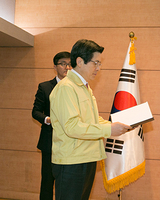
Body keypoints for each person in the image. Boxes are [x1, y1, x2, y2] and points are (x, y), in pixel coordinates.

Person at [49, 39, 131, 200]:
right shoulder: (67, 88)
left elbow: (92, 120)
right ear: (79, 62)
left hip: (86, 158)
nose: (99, 68)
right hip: (71, 162)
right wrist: (109, 130)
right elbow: (72, 127)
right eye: (96, 63)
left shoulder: (84, 87)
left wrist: (114, 125)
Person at [32, 51, 71, 200]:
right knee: (48, 181)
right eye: (63, 64)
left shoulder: (76, 87)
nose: (66, 67)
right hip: (50, 141)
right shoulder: (45, 87)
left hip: (70, 143)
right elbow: (35, 112)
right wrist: (48, 119)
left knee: (66, 182)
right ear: (55, 66)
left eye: (69, 64)